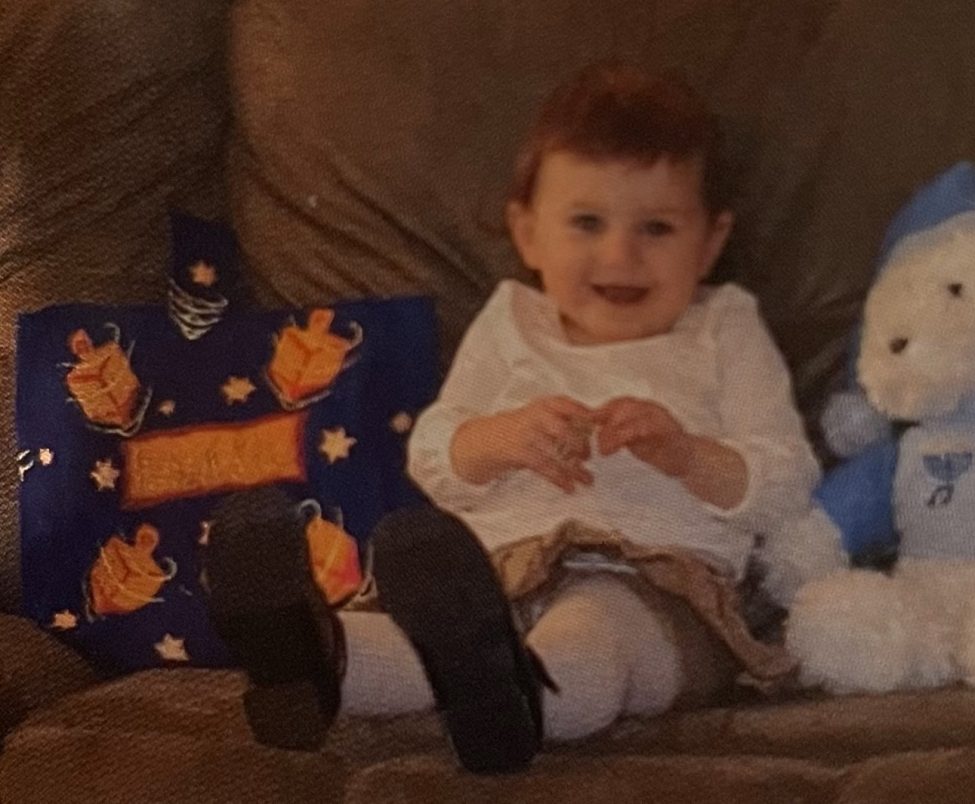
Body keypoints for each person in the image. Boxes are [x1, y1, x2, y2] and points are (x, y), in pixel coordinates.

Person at [204, 61, 819, 775]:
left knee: (594, 634)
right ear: (528, 233)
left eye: (657, 227)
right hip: (492, 581)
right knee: (415, 638)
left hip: (656, 587)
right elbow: (437, 454)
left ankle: (512, 696)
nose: (620, 253)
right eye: (586, 222)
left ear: (710, 243)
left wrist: (687, 455)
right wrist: (497, 440)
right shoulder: (508, 323)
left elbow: (786, 478)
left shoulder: (723, 328)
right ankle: (309, 658)